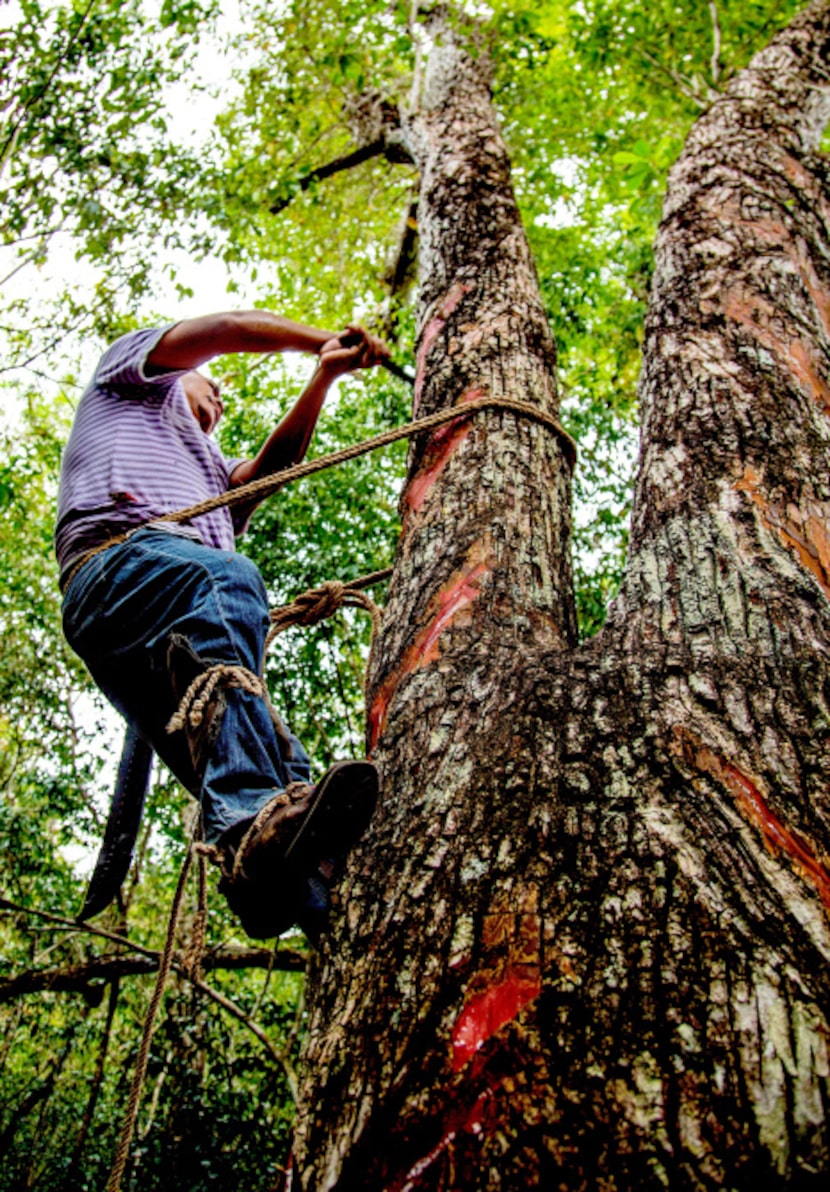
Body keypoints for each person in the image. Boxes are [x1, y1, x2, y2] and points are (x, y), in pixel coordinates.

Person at [56, 311, 389, 941]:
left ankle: (283, 880)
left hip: (158, 628)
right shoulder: (127, 380)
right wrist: (320, 338)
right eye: (208, 382)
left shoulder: (209, 470)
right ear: (175, 375)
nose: (219, 393)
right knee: (230, 580)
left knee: (284, 768)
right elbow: (230, 328)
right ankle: (248, 819)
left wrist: (323, 378)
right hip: (114, 566)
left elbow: (272, 466)